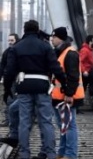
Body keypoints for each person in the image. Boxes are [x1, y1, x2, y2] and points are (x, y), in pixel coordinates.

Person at [3, 20, 67, 159]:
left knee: (24, 121)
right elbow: (55, 67)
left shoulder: (17, 47)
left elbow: (9, 71)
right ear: (38, 30)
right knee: (46, 121)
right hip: (42, 86)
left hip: (24, 87)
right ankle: (50, 153)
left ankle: (24, 153)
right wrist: (65, 84)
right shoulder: (45, 46)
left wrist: (7, 89)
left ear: (24, 30)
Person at [50, 27, 85, 159]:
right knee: (63, 126)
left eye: (54, 37)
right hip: (59, 96)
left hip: (67, 97)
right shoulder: (61, 52)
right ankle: (62, 152)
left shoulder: (70, 54)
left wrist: (69, 94)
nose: (52, 39)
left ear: (60, 38)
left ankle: (71, 155)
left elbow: (73, 76)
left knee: (69, 126)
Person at [0, 33, 19, 126]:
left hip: (18, 79)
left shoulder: (19, 50)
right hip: (11, 79)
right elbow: (2, 65)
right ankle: (9, 120)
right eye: (9, 40)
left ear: (16, 40)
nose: (10, 42)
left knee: (13, 100)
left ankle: (11, 121)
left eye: (12, 40)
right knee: (10, 100)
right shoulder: (7, 52)